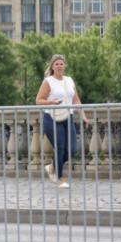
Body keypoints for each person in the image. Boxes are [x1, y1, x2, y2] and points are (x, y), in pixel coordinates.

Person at [35, 54, 89, 189]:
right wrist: (51, 102)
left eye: (61, 64)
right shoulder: (48, 81)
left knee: (72, 149)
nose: (59, 66)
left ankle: (52, 166)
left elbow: (76, 100)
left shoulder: (69, 80)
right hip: (52, 118)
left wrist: (83, 115)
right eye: (56, 64)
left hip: (68, 117)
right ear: (52, 67)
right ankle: (58, 178)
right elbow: (38, 100)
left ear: (65, 66)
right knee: (60, 147)